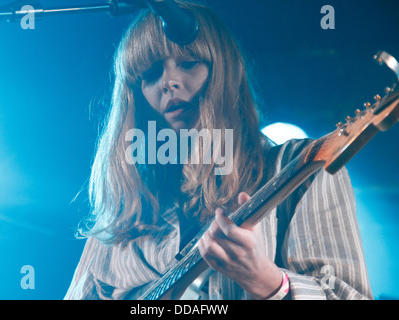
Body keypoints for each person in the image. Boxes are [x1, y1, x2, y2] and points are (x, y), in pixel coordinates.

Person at [64, 1, 372, 300]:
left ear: (223, 71)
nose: (169, 81)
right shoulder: (125, 207)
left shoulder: (304, 169)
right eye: (151, 74)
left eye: (188, 63)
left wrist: (270, 283)